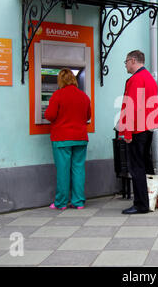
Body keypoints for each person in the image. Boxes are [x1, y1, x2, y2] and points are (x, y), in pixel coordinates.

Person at [119, 50, 158, 215]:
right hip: (148, 127)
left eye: (126, 62)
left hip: (137, 129)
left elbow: (131, 106)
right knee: (146, 165)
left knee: (136, 168)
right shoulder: (150, 78)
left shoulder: (135, 79)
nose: (125, 65)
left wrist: (127, 133)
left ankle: (141, 204)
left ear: (132, 60)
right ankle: (151, 199)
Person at [44, 68, 92, 210]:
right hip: (80, 138)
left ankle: (61, 203)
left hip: (62, 138)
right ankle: (78, 202)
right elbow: (88, 117)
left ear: (60, 80)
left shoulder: (58, 95)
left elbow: (49, 115)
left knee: (63, 170)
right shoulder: (84, 96)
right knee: (78, 169)